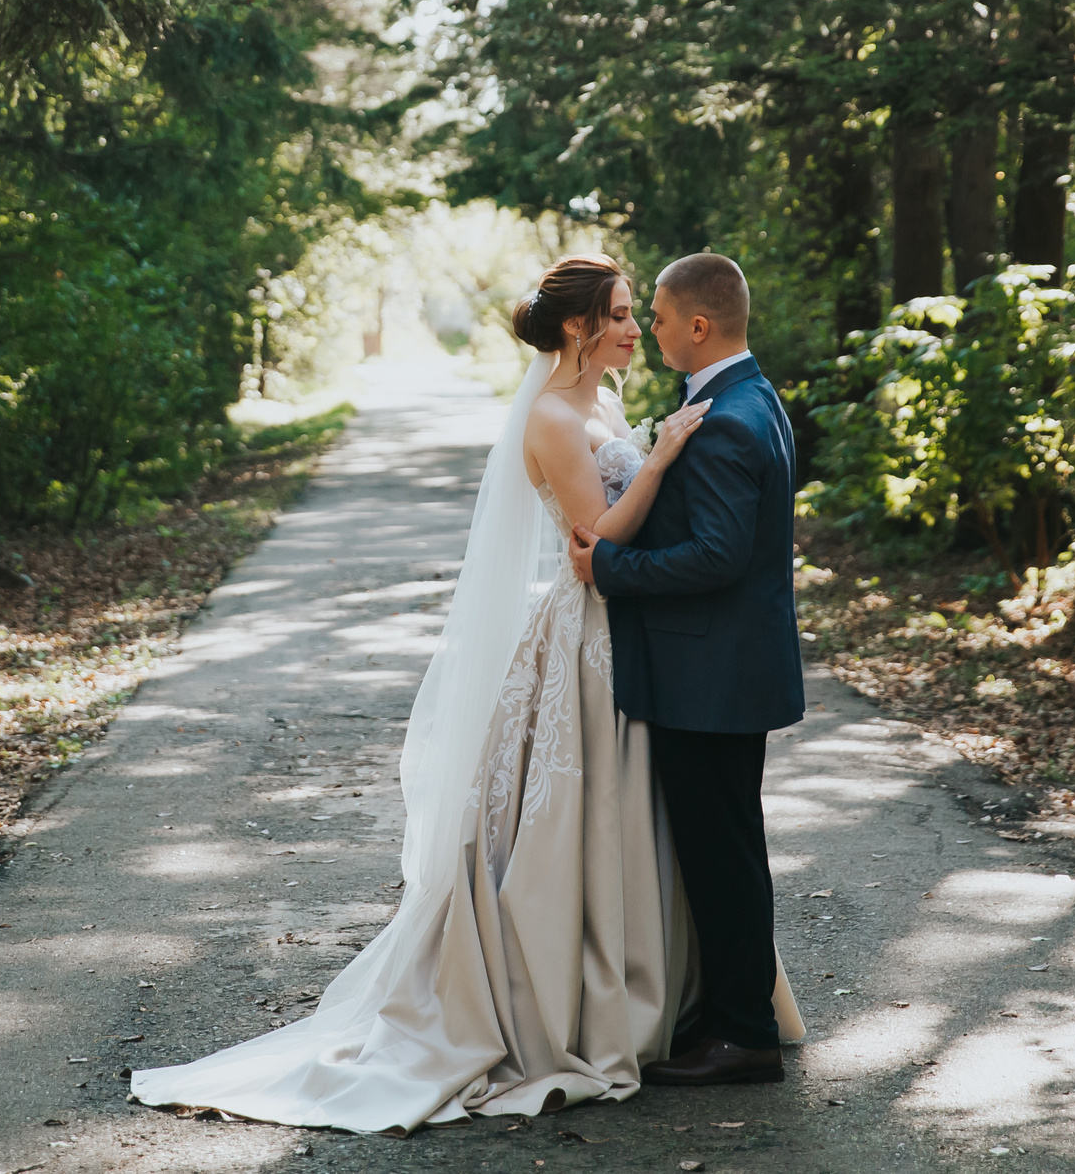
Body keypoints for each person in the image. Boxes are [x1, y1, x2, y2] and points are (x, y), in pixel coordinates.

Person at [128, 254, 800, 1133]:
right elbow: (592, 541)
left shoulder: (628, 404)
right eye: (626, 314)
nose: (641, 328)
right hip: (595, 633)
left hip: (650, 641)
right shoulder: (562, 415)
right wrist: (656, 470)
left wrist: (650, 477)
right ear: (578, 327)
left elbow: (688, 541)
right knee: (617, 822)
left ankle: (701, 1008)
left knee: (683, 832)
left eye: (649, 314)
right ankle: (634, 1002)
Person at [569, 252, 805, 1087]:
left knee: (720, 854)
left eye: (659, 317)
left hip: (712, 677)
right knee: (727, 847)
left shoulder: (729, 417)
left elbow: (717, 554)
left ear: (698, 326)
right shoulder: (750, 396)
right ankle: (730, 1013)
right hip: (729, 669)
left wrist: (612, 570)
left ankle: (741, 1035)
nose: (651, 330)